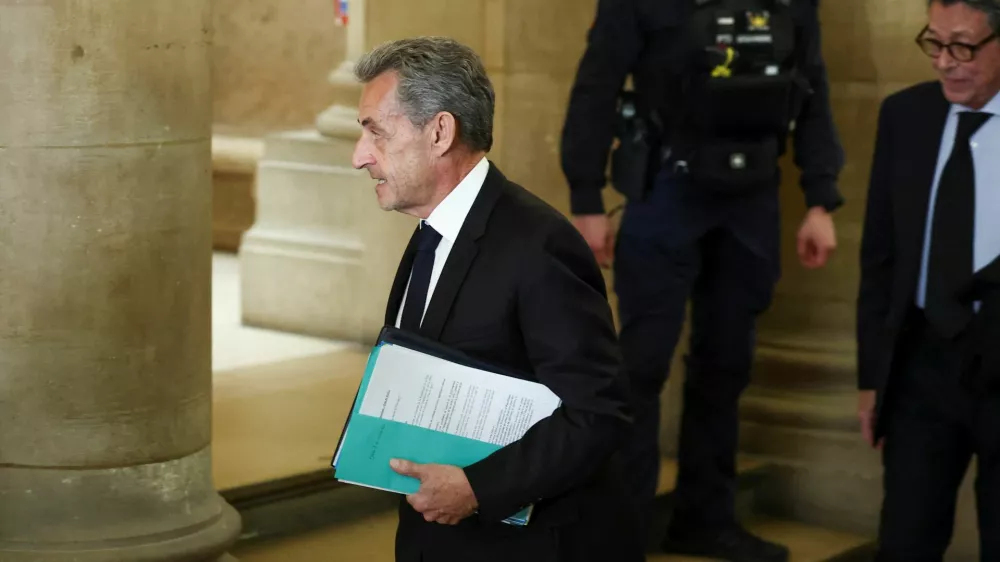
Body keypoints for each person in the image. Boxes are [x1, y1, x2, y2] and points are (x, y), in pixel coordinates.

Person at [559, 0, 844, 560]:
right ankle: (624, 532)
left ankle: (706, 518)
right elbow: (598, 84)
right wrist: (587, 198)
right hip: (668, 191)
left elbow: (810, 87)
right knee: (640, 367)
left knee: (726, 366)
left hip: (752, 198)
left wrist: (821, 198)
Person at [350, 37, 644, 562]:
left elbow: (597, 414)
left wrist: (478, 489)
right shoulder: (429, 233)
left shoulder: (540, 243)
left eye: (376, 131)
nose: (359, 157)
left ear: (440, 132)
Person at [857, 0, 1000, 559]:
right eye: (933, 43)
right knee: (905, 539)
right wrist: (873, 378)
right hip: (921, 364)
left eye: (963, 46)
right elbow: (881, 256)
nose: (944, 62)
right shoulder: (905, 116)